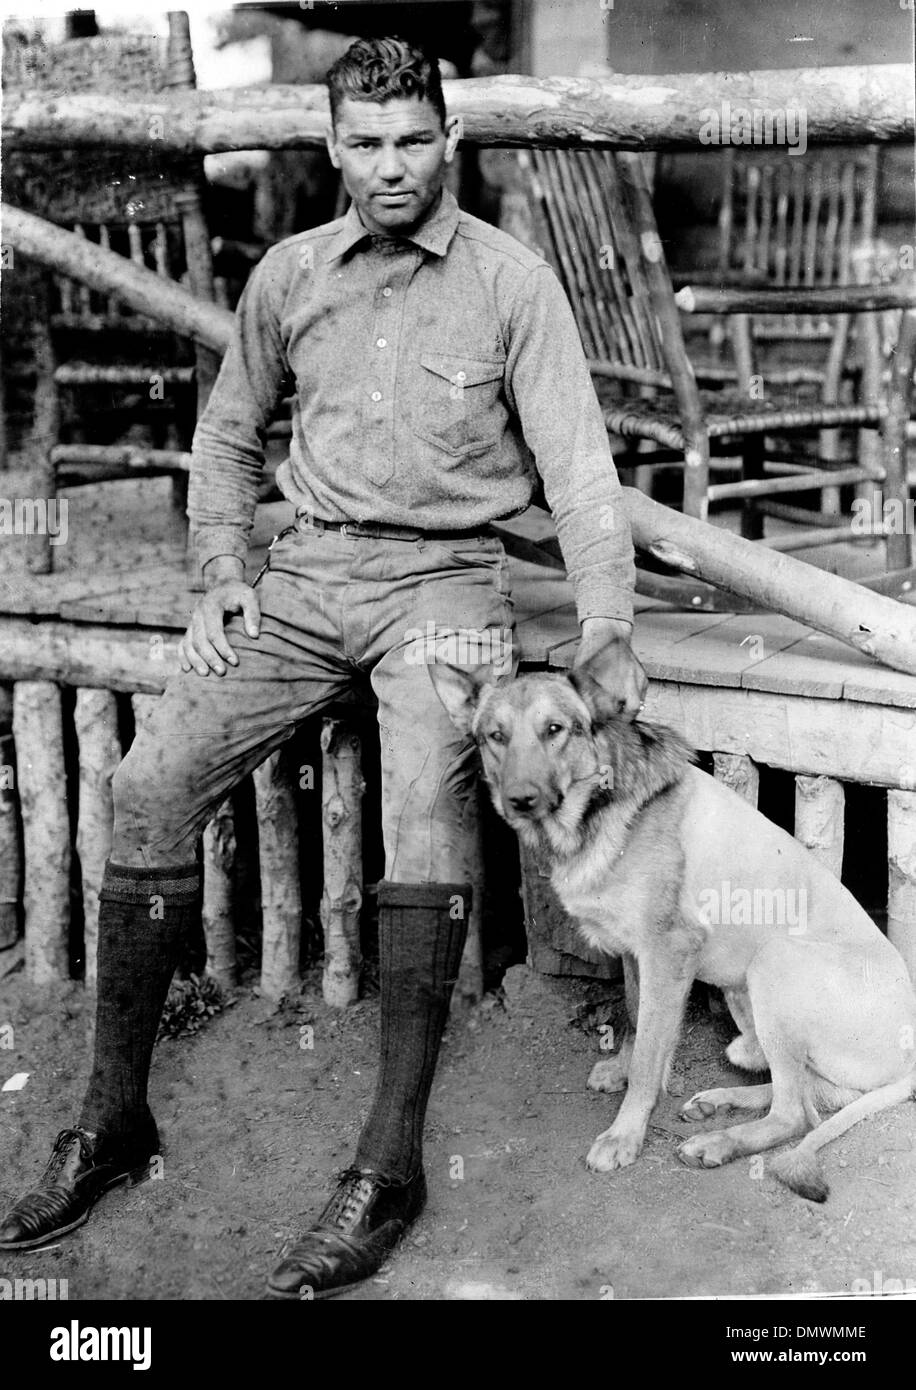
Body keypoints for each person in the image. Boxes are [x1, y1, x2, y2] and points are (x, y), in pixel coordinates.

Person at [0, 35, 635, 1299]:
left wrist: (608, 624)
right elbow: (228, 430)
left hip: (447, 592)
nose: (390, 168)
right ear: (330, 147)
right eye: (365, 143)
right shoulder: (290, 274)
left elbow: (578, 474)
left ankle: (387, 1162)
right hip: (305, 582)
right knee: (146, 783)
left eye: (413, 142)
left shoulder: (512, 283)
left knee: (422, 821)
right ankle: (113, 1115)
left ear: (447, 142)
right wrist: (221, 565)